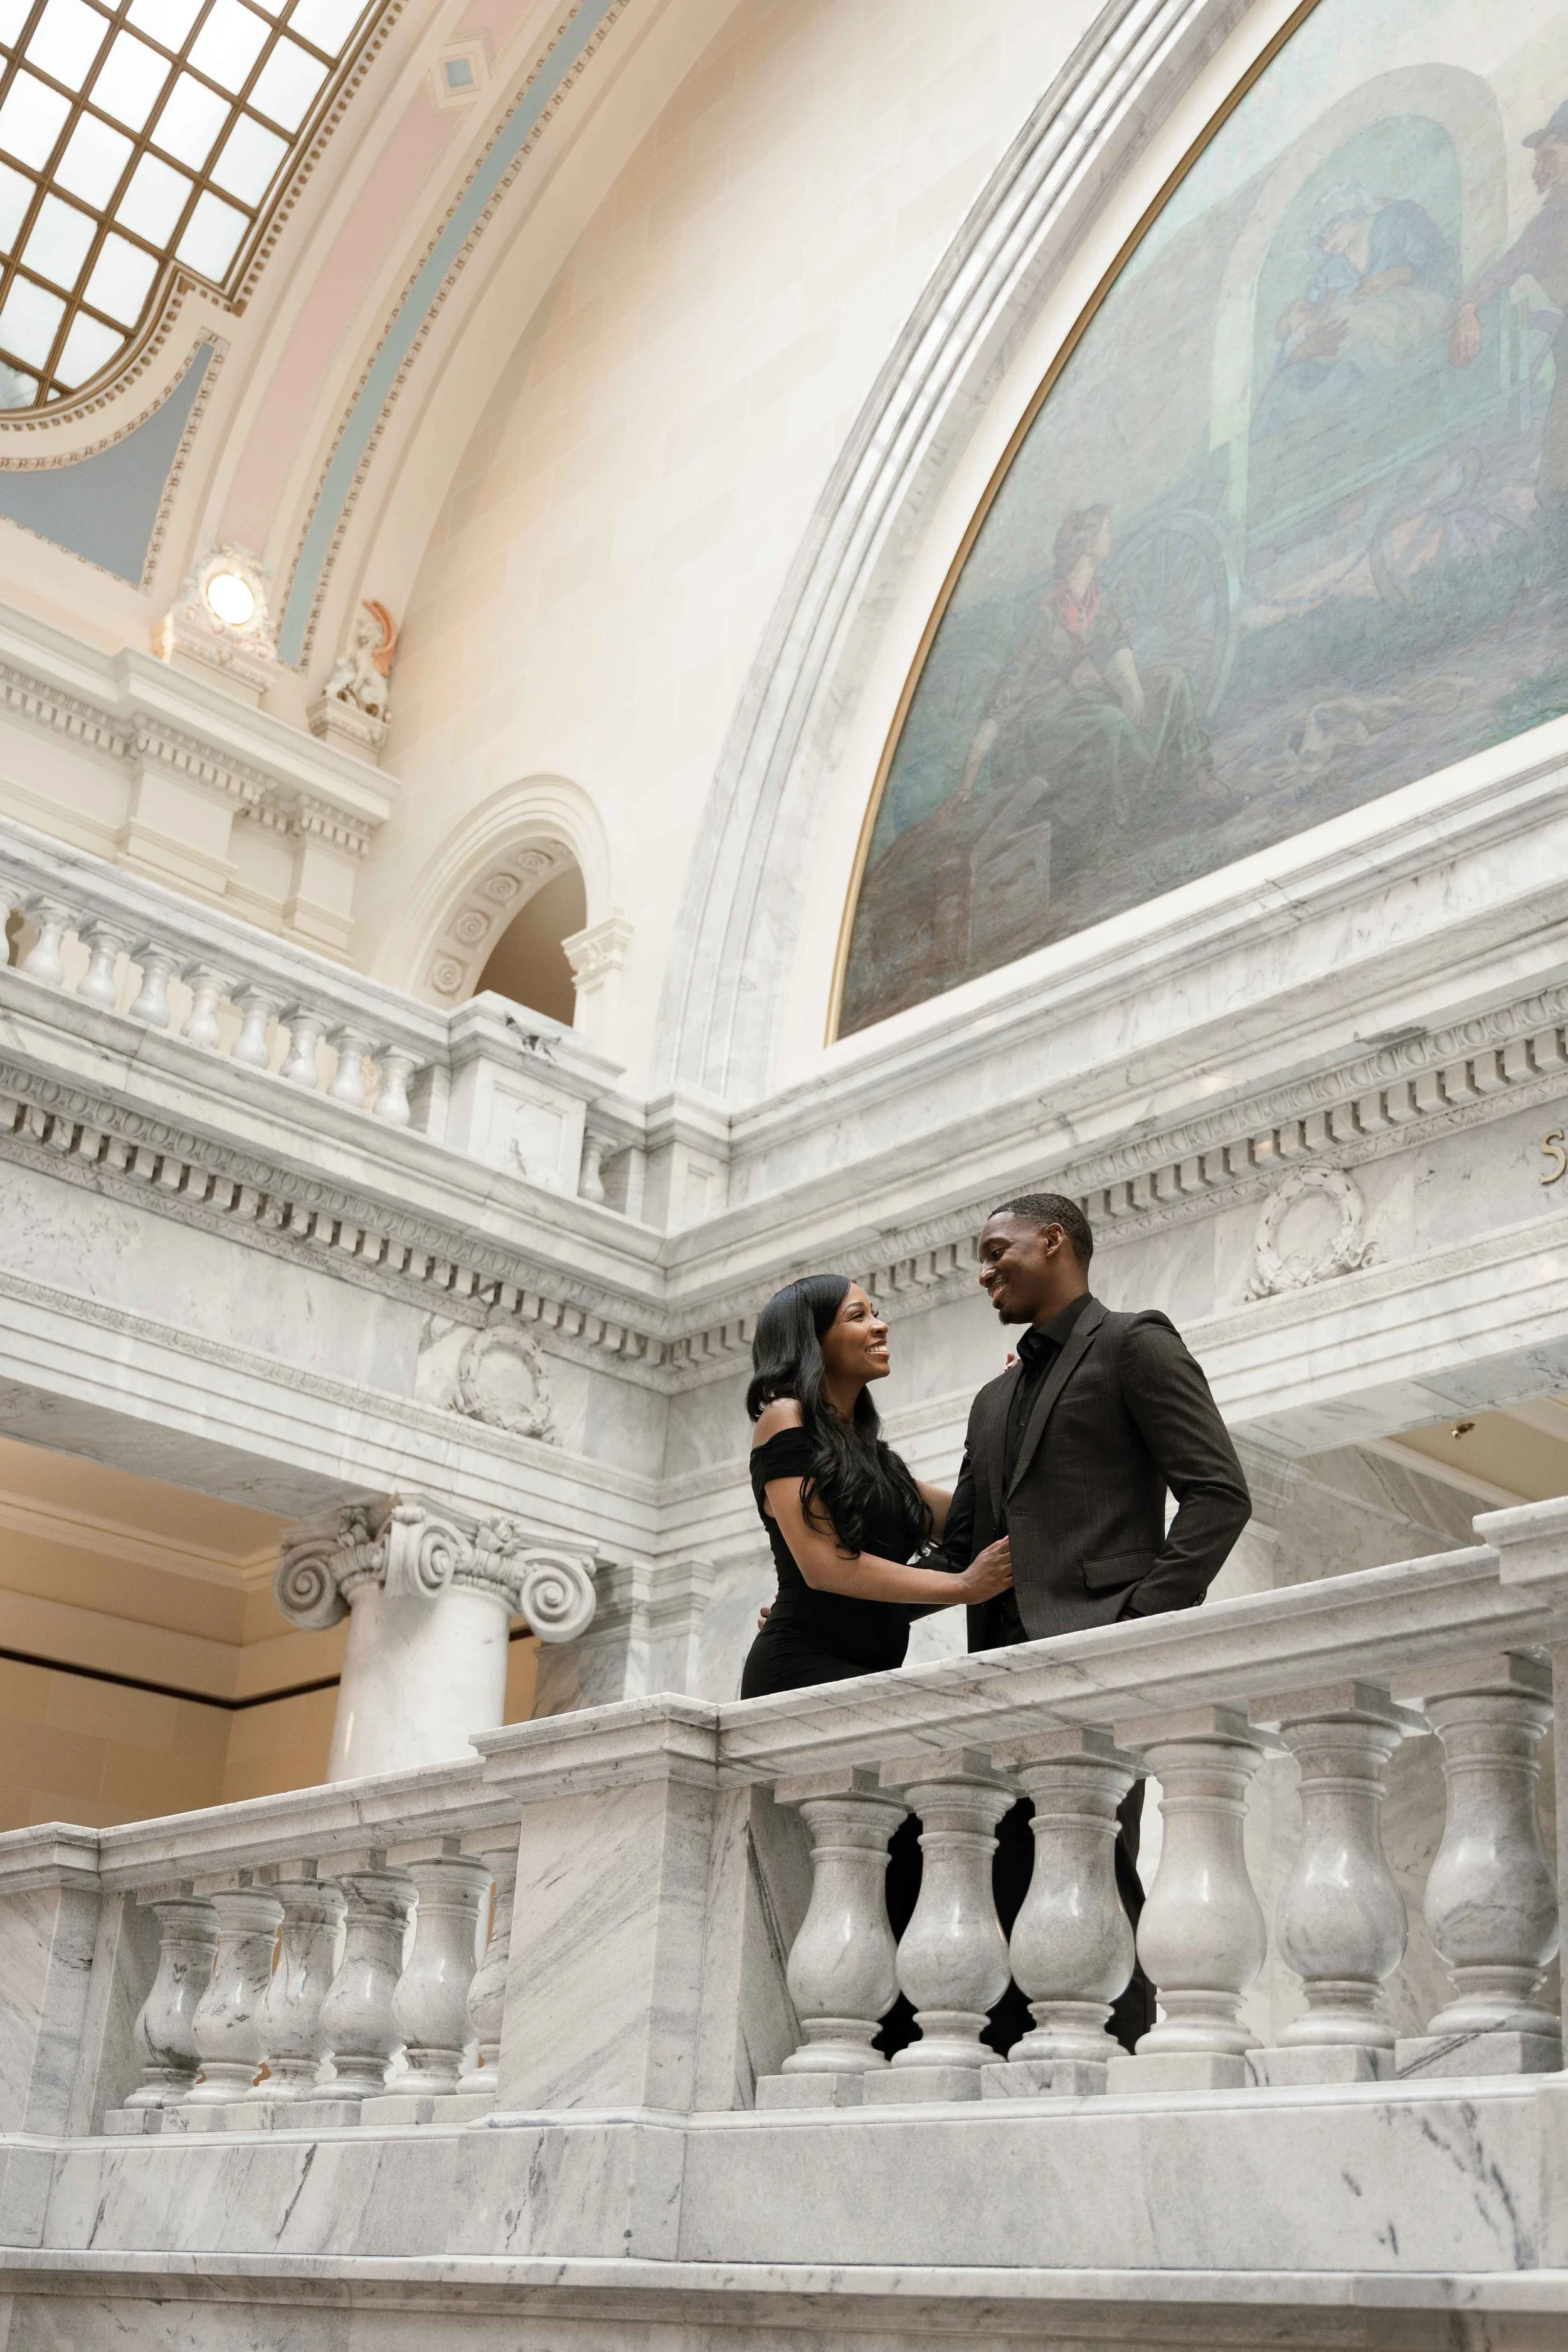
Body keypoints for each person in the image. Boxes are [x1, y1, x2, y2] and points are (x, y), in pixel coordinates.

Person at [939, 1190, 1253, 2050]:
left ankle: (1129, 2058)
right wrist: (837, 1566)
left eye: (998, 1247)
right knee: (1001, 1874)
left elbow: (1220, 1494)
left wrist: (1137, 1622)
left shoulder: (1133, 1344)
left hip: (1100, 1657)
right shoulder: (990, 1401)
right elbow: (963, 1542)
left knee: (1093, 1868)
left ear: (1056, 1239)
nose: (984, 1267)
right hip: (995, 1669)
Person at [739, 1273, 1012, 1699]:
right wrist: (966, 1586)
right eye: (857, 1316)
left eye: (876, 1314)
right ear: (813, 1340)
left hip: (870, 1671)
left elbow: (972, 1518)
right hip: (799, 1667)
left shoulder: (873, 1458)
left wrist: (1014, 1402)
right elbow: (825, 1565)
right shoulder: (784, 1416)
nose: (880, 1325)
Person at [1254, 181, 1454, 437]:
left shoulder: (1401, 218)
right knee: (1288, 387)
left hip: (1417, 312)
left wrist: (1400, 275)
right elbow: (1306, 321)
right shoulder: (1331, 271)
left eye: (1328, 234)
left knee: (1365, 338)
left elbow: (1442, 258)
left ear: (1345, 216)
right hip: (1345, 345)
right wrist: (1302, 350)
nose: (1326, 247)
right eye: (1322, 242)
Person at [1451, 100, 1568, 506]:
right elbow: (1503, 271)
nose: (1541, 168)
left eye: (1550, 155)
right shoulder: (1545, 226)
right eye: (1540, 159)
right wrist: (1468, 308)